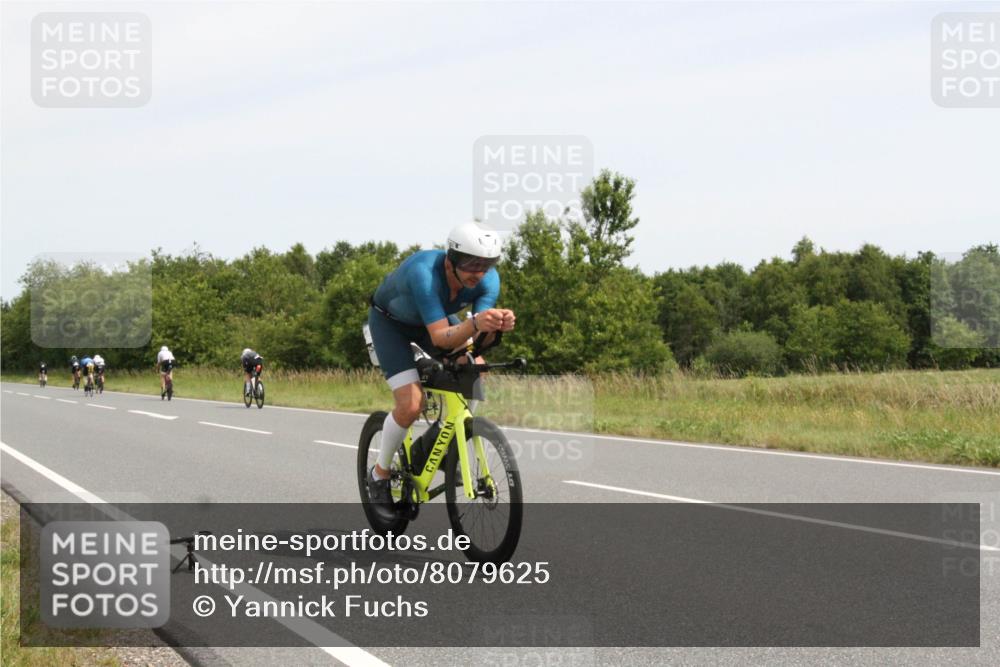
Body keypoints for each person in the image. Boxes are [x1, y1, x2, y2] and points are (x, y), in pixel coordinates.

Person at [365, 222, 515, 519]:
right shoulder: (424, 273)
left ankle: (442, 445)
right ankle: (379, 475)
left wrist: (496, 327)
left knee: (476, 368)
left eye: (486, 264)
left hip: (432, 322)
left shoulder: (488, 280)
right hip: (391, 325)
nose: (478, 273)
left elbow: (476, 340)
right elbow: (440, 339)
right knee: (412, 404)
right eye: (471, 264)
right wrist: (476, 323)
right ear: (450, 261)